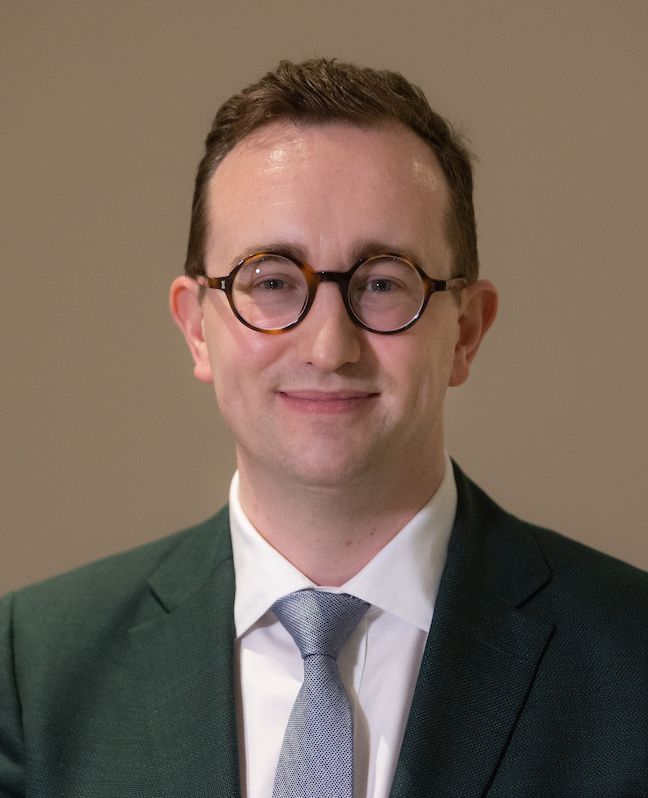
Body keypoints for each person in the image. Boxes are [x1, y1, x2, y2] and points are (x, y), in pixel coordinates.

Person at [1, 59, 646, 798]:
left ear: (466, 330)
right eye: (272, 281)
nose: (329, 347)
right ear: (197, 329)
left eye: (384, 282)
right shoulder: (32, 668)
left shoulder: (632, 657)